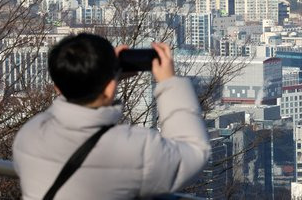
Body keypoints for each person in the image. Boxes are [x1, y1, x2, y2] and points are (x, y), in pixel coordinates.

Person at [13, 33, 210, 199]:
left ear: (57, 87)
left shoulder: (28, 134)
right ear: (109, 86)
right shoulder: (135, 148)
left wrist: (105, 80)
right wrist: (169, 83)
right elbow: (194, 151)